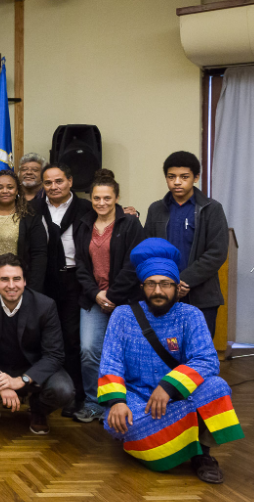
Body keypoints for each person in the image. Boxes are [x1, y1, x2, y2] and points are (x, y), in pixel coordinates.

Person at [99, 239, 243, 483]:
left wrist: (168, 386)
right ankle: (178, 437)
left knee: (217, 387)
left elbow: (207, 360)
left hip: (177, 394)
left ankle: (202, 454)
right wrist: (116, 401)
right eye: (151, 284)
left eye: (165, 284)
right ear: (142, 286)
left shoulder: (191, 315)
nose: (158, 291)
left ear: (178, 286)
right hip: (137, 396)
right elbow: (111, 362)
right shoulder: (122, 315)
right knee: (120, 421)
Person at [0, 254, 74, 435]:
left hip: (31, 367)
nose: (11, 285)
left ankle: (38, 409)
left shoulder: (45, 306)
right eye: (4, 279)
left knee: (64, 390)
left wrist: (21, 380)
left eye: (17, 279)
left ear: (25, 281)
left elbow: (54, 355)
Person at [72, 169, 146, 424]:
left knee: (127, 353)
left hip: (125, 300)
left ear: (116, 198)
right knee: (89, 350)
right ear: (90, 199)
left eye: (107, 198)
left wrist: (112, 295)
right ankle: (94, 402)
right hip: (93, 299)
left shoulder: (130, 224)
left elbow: (134, 264)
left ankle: (126, 402)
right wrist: (96, 294)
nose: (101, 203)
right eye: (96, 198)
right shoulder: (83, 224)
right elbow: (80, 265)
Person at [144, 151, 229, 339]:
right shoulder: (156, 209)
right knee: (165, 353)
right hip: (162, 294)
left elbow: (217, 252)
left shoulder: (211, 209)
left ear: (196, 177)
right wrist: (167, 282)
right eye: (171, 177)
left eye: (184, 177)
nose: (177, 182)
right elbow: (149, 250)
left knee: (199, 355)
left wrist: (183, 280)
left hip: (202, 296)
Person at [32, 163, 93, 419]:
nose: (53, 187)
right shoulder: (34, 208)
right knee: (41, 335)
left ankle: (76, 395)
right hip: (43, 280)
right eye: (48, 183)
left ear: (69, 181)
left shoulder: (86, 209)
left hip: (74, 279)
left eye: (59, 181)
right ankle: (40, 389)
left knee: (71, 338)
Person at [0, 170, 47, 292]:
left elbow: (39, 255)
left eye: (10, 187)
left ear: (17, 191)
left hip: (17, 283)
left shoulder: (30, 218)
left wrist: (32, 289)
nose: (5, 191)